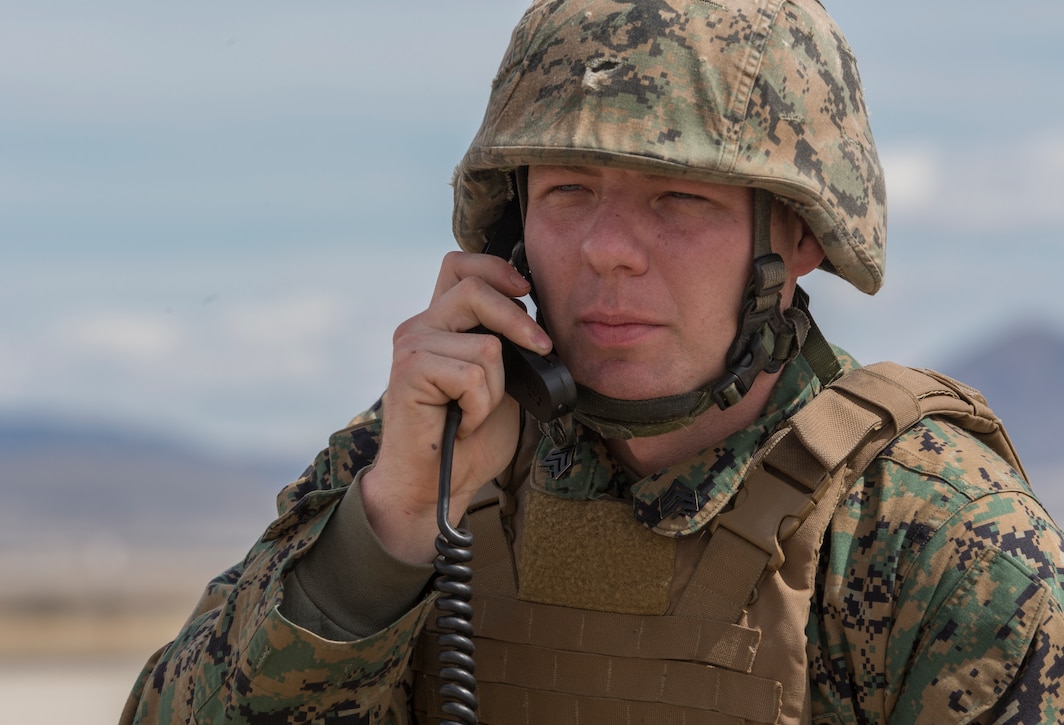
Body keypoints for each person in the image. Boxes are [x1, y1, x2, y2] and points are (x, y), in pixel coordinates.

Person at [120, 1, 1064, 723]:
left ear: (799, 237)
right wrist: (391, 531)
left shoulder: (942, 544)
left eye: (678, 197)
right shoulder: (428, 457)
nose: (609, 248)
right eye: (569, 191)